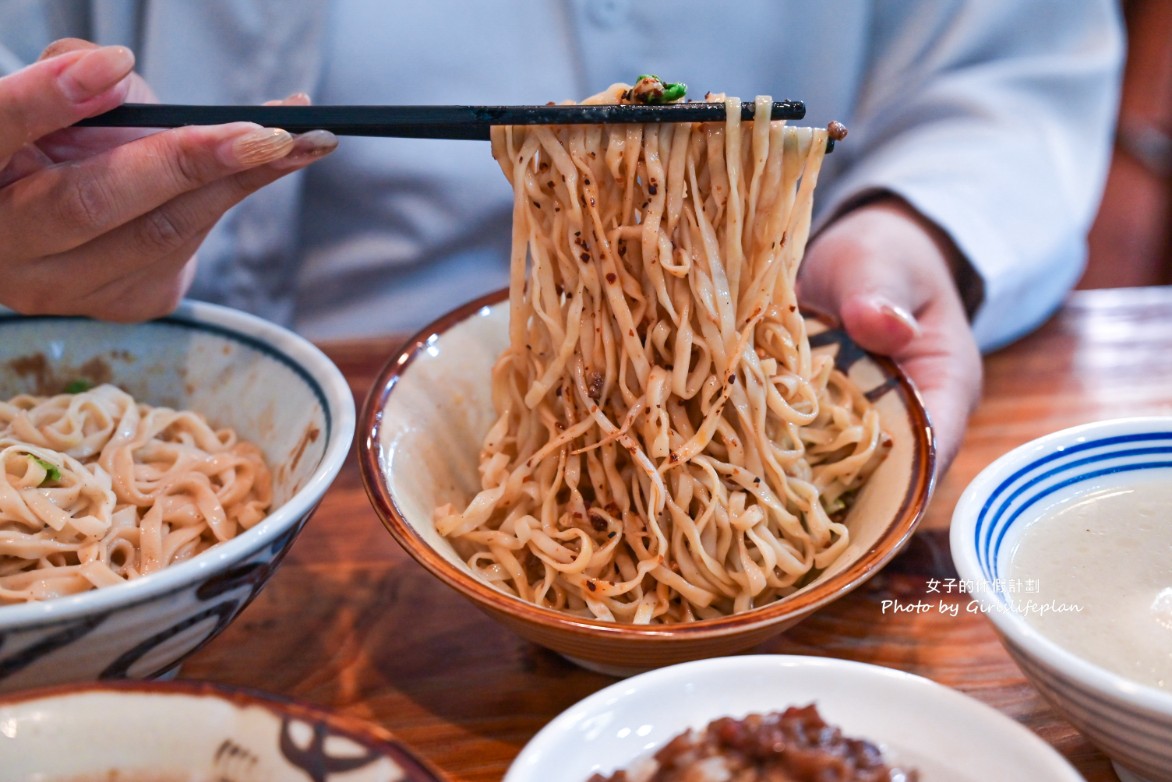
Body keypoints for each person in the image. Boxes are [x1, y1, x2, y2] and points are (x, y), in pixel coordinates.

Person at [0, 1, 1124, 474]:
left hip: (767, 342)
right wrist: (56, 208)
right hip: (247, 423)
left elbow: (1009, 57)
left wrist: (908, 227)